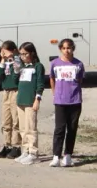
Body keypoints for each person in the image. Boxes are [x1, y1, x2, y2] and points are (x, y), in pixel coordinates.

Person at [49, 38, 85, 167]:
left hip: (75, 101)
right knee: (59, 129)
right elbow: (52, 79)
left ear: (73, 49)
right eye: (64, 48)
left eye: (69, 48)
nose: (66, 51)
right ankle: (56, 156)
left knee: (72, 128)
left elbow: (79, 81)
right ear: (60, 49)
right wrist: (55, 92)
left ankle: (68, 155)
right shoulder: (55, 63)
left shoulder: (78, 64)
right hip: (60, 101)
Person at [14, 42, 47, 164]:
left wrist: (37, 99)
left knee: (31, 127)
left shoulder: (38, 66)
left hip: (30, 101)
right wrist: (16, 63)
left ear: (32, 53)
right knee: (22, 128)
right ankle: (25, 150)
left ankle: (33, 152)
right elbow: (14, 79)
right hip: (20, 101)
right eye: (21, 54)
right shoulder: (22, 67)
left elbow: (40, 84)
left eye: (25, 54)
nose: (23, 56)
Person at [0, 40, 23, 159]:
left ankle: (16, 146)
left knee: (15, 120)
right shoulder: (6, 61)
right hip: (6, 92)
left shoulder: (17, 60)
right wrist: (3, 61)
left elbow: (15, 78)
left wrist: (13, 61)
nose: (3, 54)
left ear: (13, 51)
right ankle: (6, 145)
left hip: (15, 91)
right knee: (5, 120)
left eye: (5, 51)